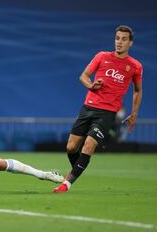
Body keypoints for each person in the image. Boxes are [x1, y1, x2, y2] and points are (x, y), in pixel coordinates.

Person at [53, 25, 143, 193]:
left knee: (88, 146)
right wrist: (91, 86)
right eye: (117, 38)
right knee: (71, 148)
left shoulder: (135, 66)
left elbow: (137, 90)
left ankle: (66, 184)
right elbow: (83, 76)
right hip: (88, 108)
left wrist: (134, 113)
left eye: (124, 39)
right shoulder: (102, 56)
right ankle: (77, 170)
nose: (119, 42)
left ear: (130, 43)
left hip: (107, 113)